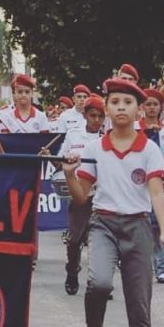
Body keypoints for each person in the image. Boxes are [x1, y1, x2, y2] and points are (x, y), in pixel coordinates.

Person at [63, 78, 164, 327]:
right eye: (115, 102)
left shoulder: (149, 149)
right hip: (103, 224)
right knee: (99, 283)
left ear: (139, 111)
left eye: (127, 102)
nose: (121, 107)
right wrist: (69, 174)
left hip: (138, 226)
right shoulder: (95, 149)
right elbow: (81, 196)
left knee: (139, 307)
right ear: (107, 109)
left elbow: (156, 193)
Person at [55, 96, 105, 295]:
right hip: (79, 191)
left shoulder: (108, 137)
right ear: (85, 115)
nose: (96, 120)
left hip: (102, 193)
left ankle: (100, 280)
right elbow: (60, 160)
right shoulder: (73, 135)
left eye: (100, 116)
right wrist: (51, 157)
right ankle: (72, 269)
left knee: (101, 240)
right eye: (93, 115)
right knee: (75, 239)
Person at [140, 89, 164, 284]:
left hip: (162, 182)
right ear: (142, 107)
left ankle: (162, 268)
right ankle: (142, 266)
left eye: (155, 104)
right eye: (148, 104)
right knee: (142, 223)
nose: (152, 108)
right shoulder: (135, 128)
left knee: (161, 224)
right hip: (140, 183)